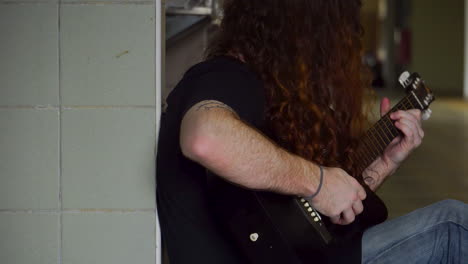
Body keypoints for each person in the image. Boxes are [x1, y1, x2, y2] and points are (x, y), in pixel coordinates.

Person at [156, 0, 468, 263]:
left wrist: (384, 162)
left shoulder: (266, 94)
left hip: (312, 254)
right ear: (302, 34)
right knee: (453, 227)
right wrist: (317, 183)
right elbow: (205, 138)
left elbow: (316, 219)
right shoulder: (225, 77)